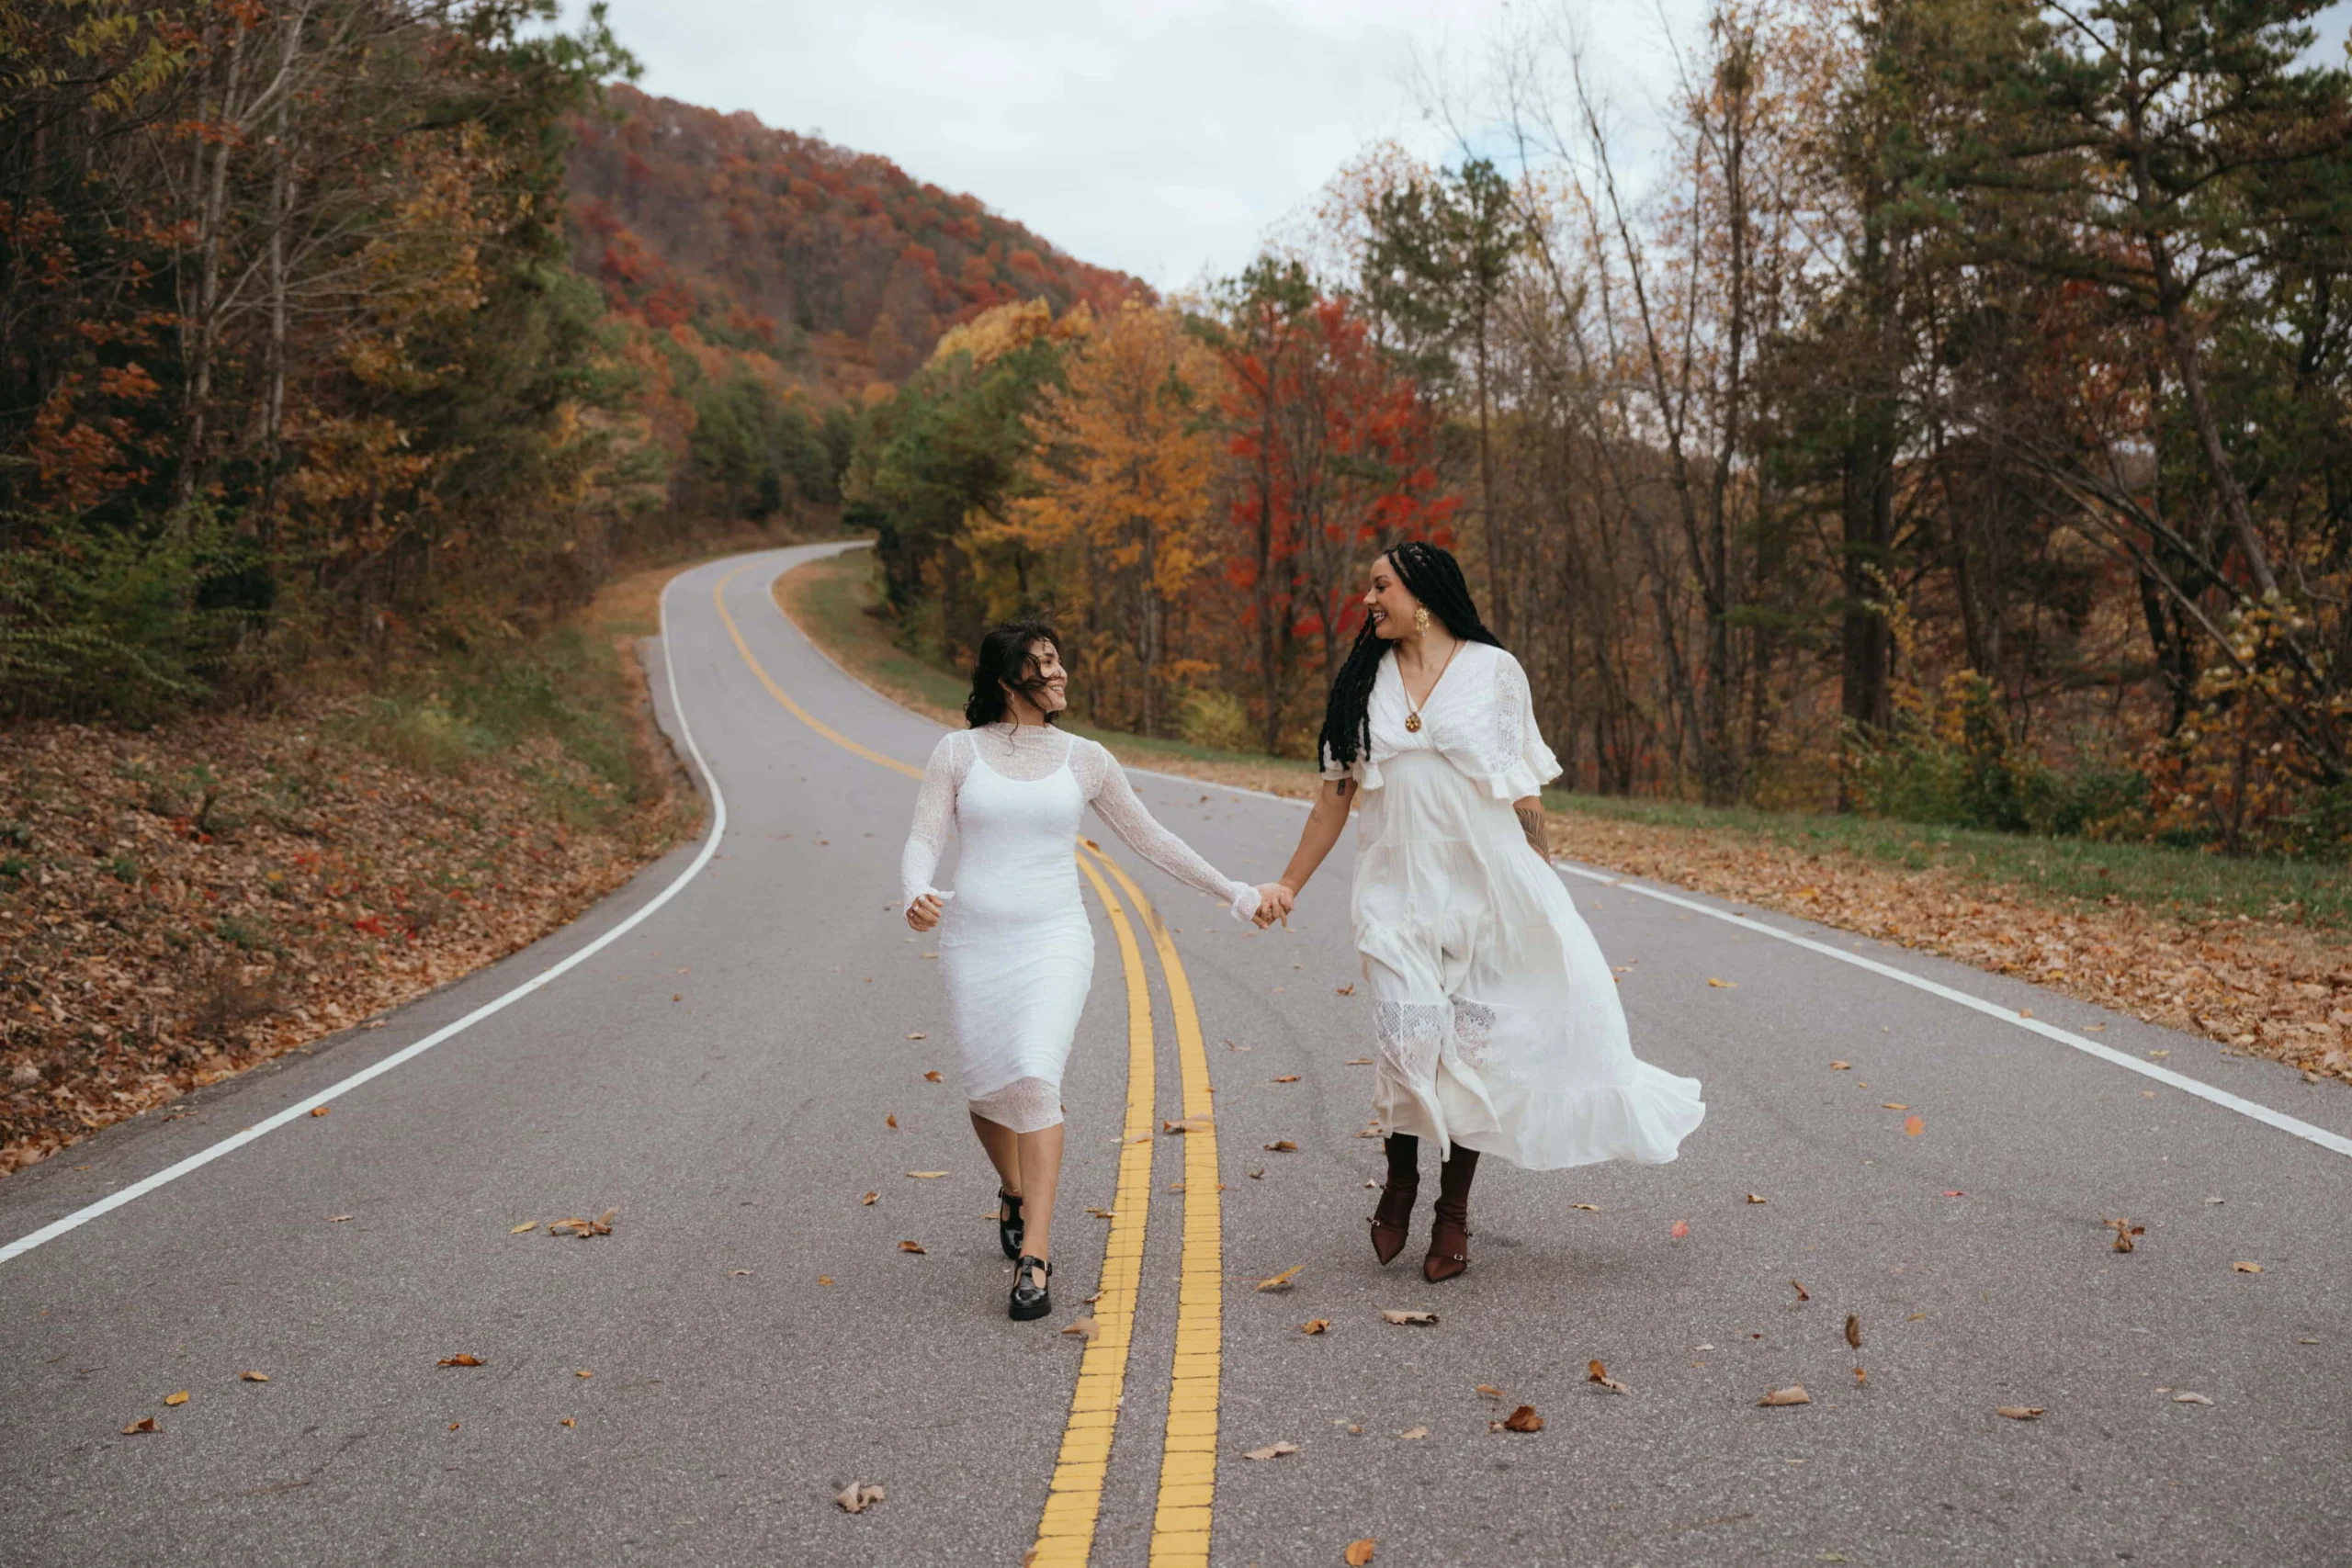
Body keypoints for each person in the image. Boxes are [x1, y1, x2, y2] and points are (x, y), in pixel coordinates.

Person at [1263, 541, 1703, 1282]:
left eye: (1380, 587)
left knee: (1473, 1053)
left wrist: (1542, 887)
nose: (1368, 600)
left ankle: (1453, 1212)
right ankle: (1401, 1178)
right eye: (1369, 588)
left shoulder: (1495, 673)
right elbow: (1334, 797)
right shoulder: (1361, 682)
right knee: (1411, 1039)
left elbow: (1522, 790)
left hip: (1486, 894)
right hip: (1394, 892)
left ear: (1423, 594)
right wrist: (1288, 884)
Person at [900, 620, 1288, 1320]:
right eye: (1043, 662)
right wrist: (914, 891)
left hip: (1055, 937)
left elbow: (1153, 840)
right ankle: (1015, 1190)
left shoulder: (1086, 758)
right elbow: (925, 833)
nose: (1061, 672)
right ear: (1006, 677)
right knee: (989, 1095)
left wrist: (1236, 892)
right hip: (974, 941)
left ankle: (1035, 1257)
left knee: (1035, 1077)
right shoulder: (957, 752)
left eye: (1058, 659)